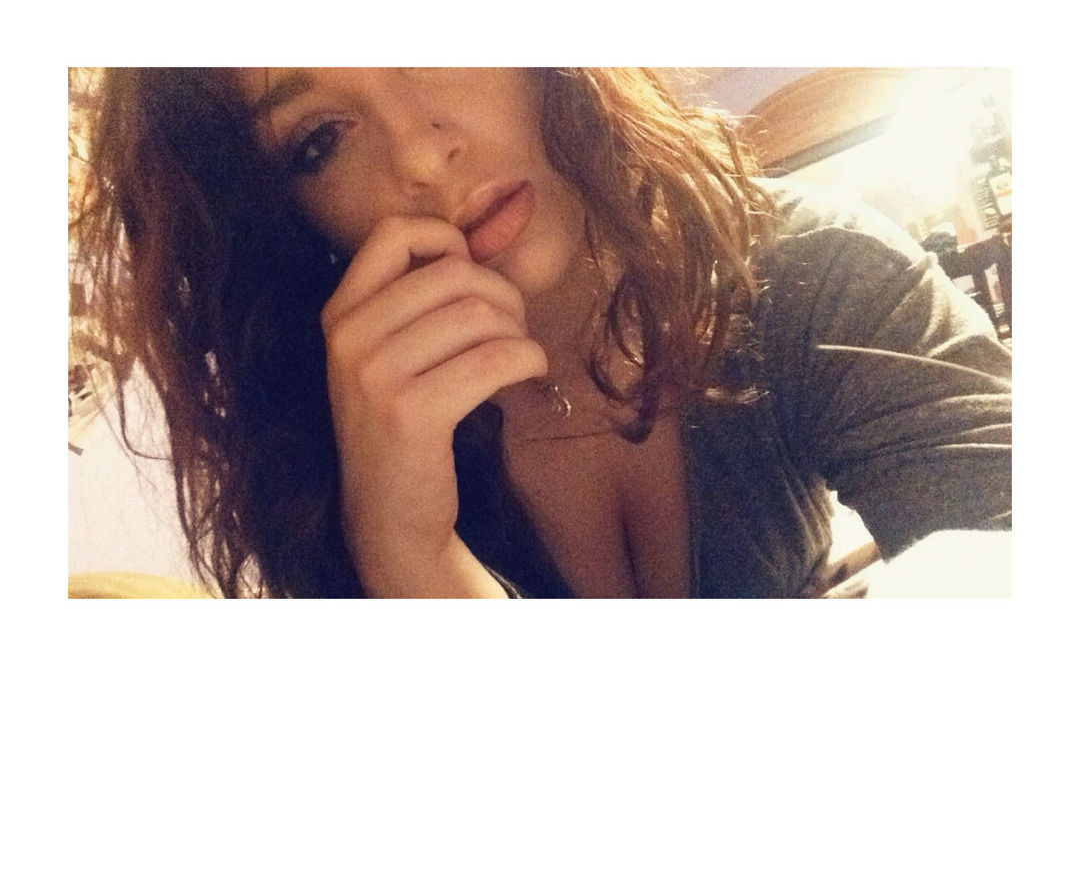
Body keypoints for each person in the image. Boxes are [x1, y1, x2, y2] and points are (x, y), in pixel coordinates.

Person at [70, 68, 1012, 598]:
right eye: (320, 139)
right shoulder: (320, 453)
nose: (421, 153)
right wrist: (400, 547)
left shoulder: (808, 269)